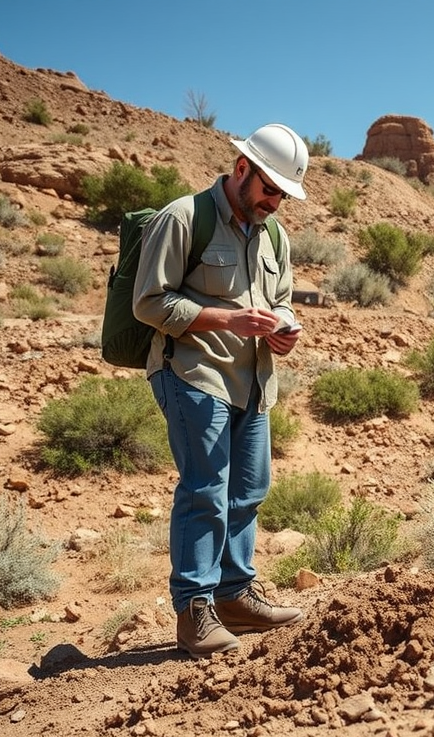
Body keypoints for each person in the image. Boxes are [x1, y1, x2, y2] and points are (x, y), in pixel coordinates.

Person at [133, 123, 308, 659]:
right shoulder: (184, 218)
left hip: (251, 381)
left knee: (248, 491)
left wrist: (283, 327)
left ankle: (234, 597)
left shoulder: (273, 235)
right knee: (206, 490)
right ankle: (194, 612)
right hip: (192, 372)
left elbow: (281, 298)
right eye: (270, 189)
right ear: (241, 170)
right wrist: (227, 321)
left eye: (283, 193)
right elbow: (149, 302)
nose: (275, 202)